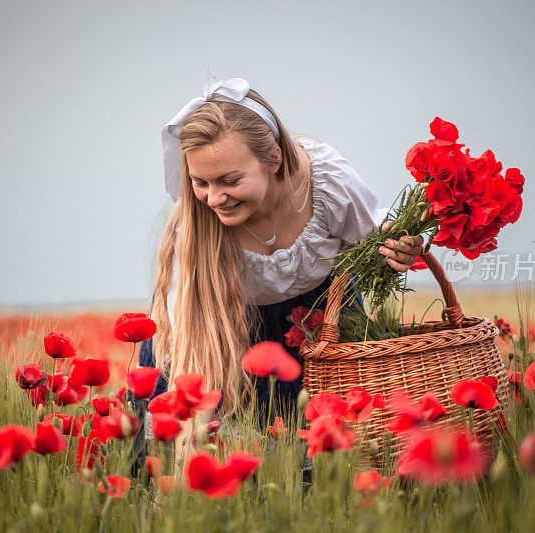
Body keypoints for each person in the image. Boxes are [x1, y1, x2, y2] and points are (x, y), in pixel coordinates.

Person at [136, 72, 424, 475]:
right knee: (202, 470)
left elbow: (373, 246)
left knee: (315, 474)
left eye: (230, 180)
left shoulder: (325, 182)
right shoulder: (195, 228)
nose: (214, 198)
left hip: (317, 329)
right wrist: (188, 457)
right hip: (221, 337)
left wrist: (398, 251)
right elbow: (191, 352)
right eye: (201, 182)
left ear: (274, 158)